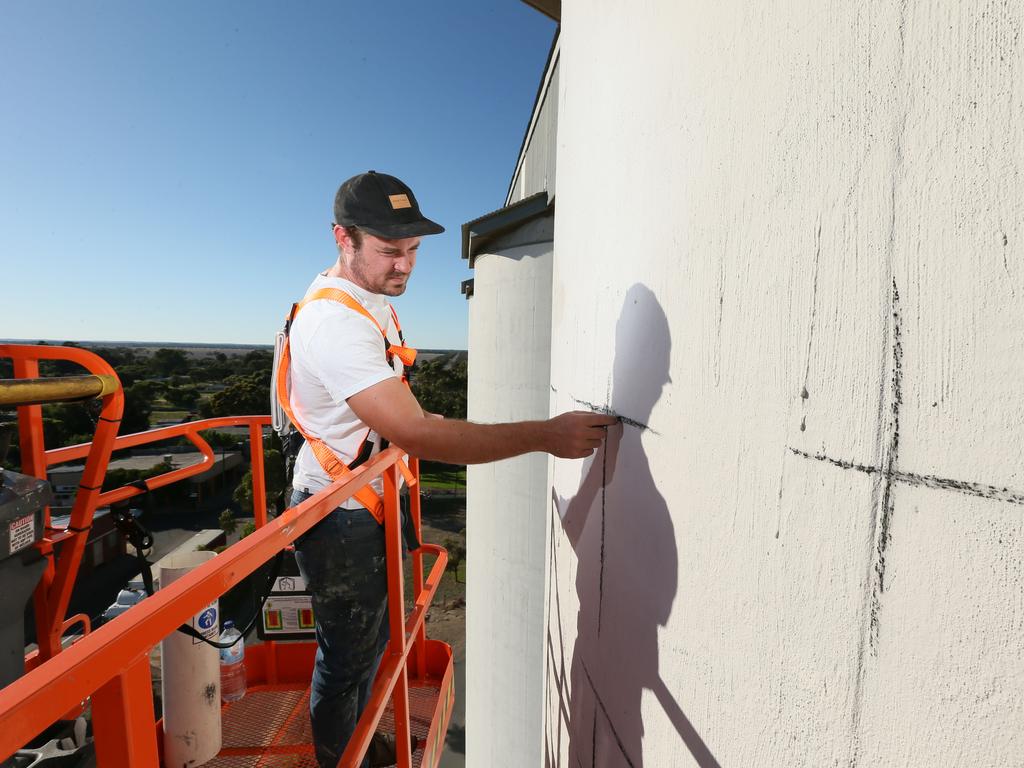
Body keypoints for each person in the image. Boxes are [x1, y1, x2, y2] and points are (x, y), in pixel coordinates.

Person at [285, 170, 616, 768]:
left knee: (372, 644)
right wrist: (546, 434)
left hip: (362, 502)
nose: (405, 265)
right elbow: (415, 433)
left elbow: (395, 412)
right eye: (390, 251)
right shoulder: (333, 322)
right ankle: (342, 757)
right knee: (347, 655)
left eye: (413, 250)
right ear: (343, 237)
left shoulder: (368, 299)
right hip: (338, 515)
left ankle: (359, 740)